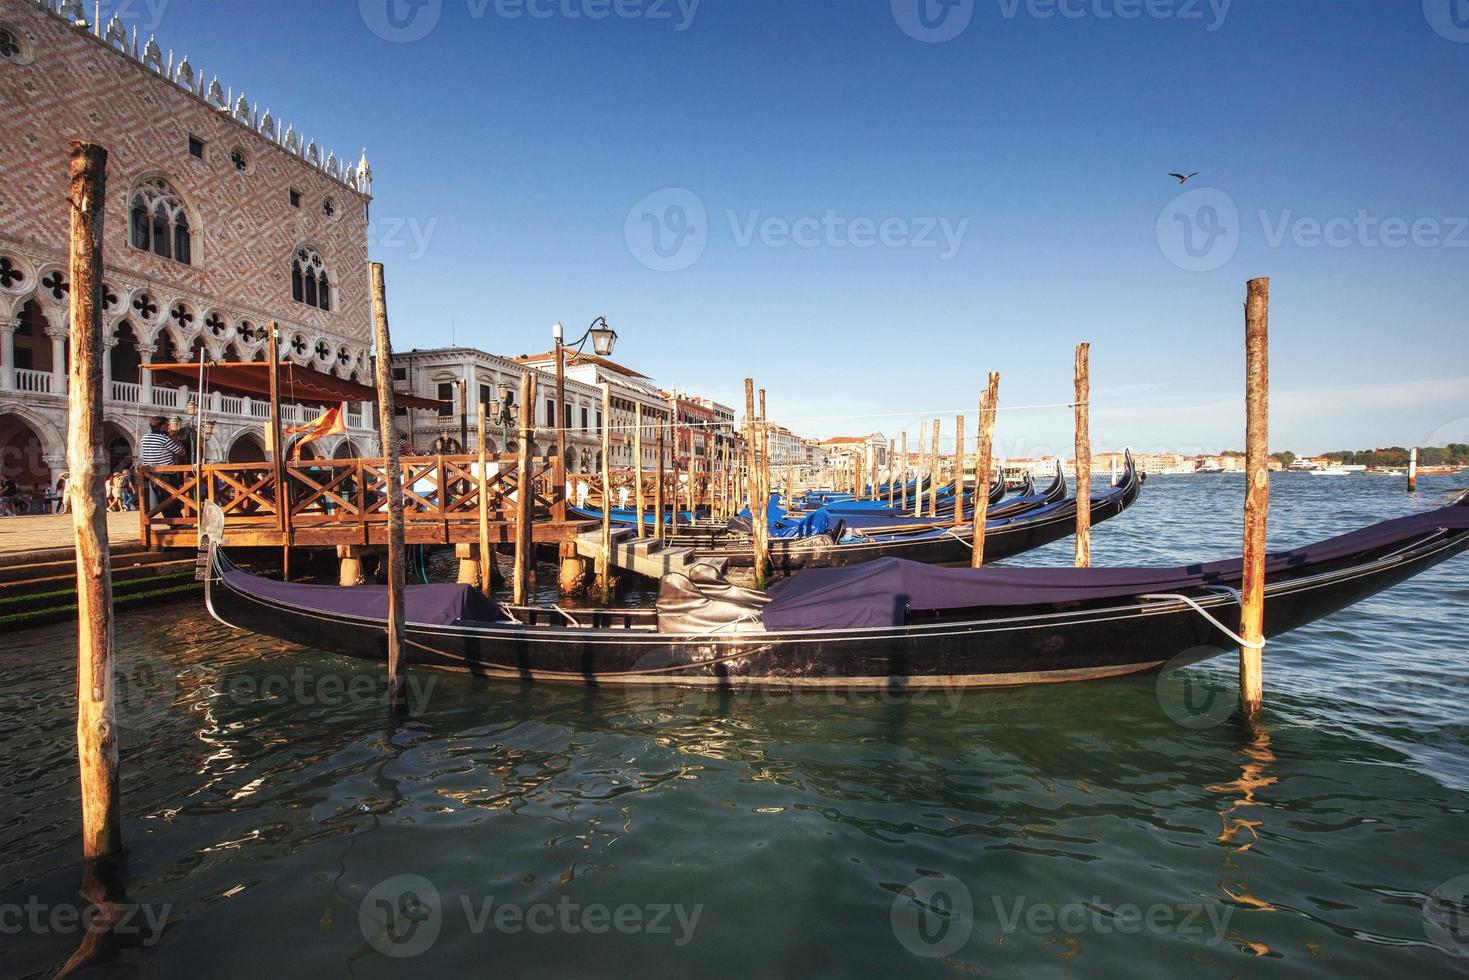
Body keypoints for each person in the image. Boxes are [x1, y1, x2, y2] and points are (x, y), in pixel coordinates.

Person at [141, 416, 184, 514]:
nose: (169, 427)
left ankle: (171, 522)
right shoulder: (165, 439)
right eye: (167, 425)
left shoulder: (144, 438)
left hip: (151, 473)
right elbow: (182, 452)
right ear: (162, 426)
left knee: (161, 498)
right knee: (173, 497)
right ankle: (176, 523)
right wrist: (174, 438)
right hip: (167, 473)